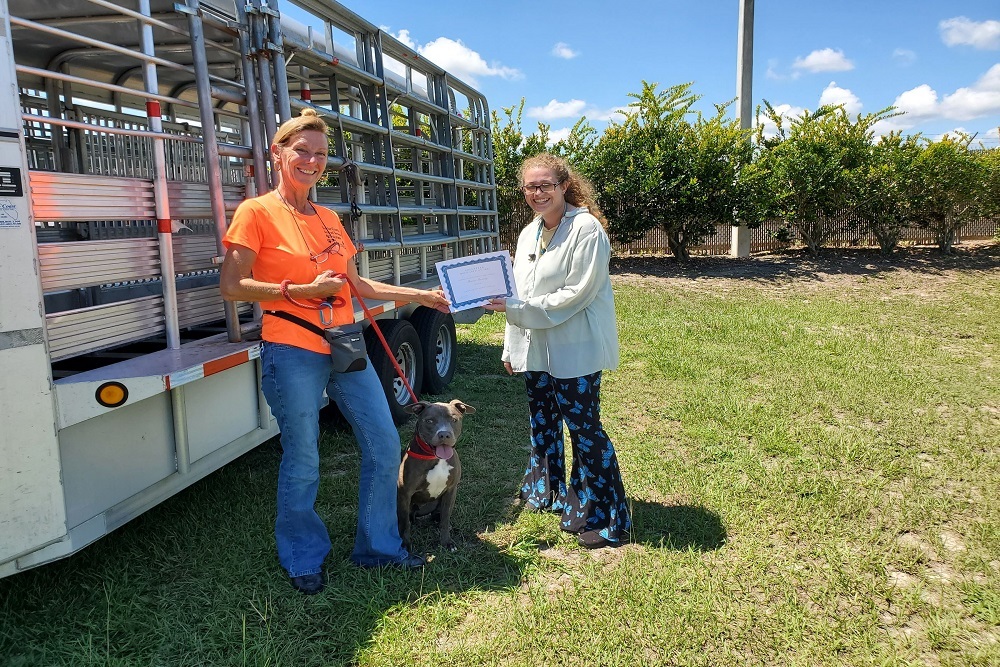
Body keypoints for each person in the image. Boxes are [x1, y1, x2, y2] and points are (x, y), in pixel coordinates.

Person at [220, 109, 450, 594]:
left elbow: (356, 284)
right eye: (301, 150)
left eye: (320, 154)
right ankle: (303, 556)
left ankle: (379, 547)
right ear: (278, 153)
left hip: (346, 345)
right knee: (303, 456)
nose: (311, 160)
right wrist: (297, 292)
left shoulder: (327, 218)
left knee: (386, 444)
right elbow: (233, 285)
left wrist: (418, 296)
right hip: (292, 348)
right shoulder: (256, 212)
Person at [485, 152, 631, 549]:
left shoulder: (586, 229)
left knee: (585, 431)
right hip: (535, 348)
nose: (537, 193)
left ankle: (607, 515)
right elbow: (518, 293)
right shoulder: (529, 232)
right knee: (542, 422)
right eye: (530, 186)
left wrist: (516, 310)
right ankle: (545, 493)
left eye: (545, 185)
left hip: (576, 348)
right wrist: (511, 345)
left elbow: (575, 295)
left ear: (564, 186)